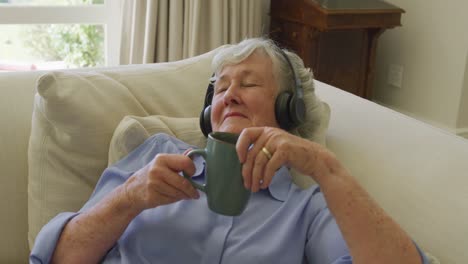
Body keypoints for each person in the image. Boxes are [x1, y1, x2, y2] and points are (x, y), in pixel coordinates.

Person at [30, 38, 429, 264]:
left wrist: (327, 167)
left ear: (288, 108)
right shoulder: (154, 159)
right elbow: (59, 257)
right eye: (221, 88)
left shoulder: (306, 210)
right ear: (209, 111)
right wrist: (128, 198)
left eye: (249, 84)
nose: (230, 96)